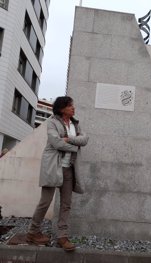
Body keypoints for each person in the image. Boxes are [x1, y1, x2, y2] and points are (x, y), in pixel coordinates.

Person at [27, 96, 88, 251]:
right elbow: (56, 142)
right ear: (62, 108)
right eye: (70, 105)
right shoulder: (53, 122)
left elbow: (85, 139)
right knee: (45, 202)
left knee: (66, 204)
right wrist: (74, 146)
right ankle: (33, 232)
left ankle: (62, 236)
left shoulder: (75, 123)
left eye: (73, 105)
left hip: (69, 169)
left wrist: (69, 139)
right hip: (53, 167)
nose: (73, 108)